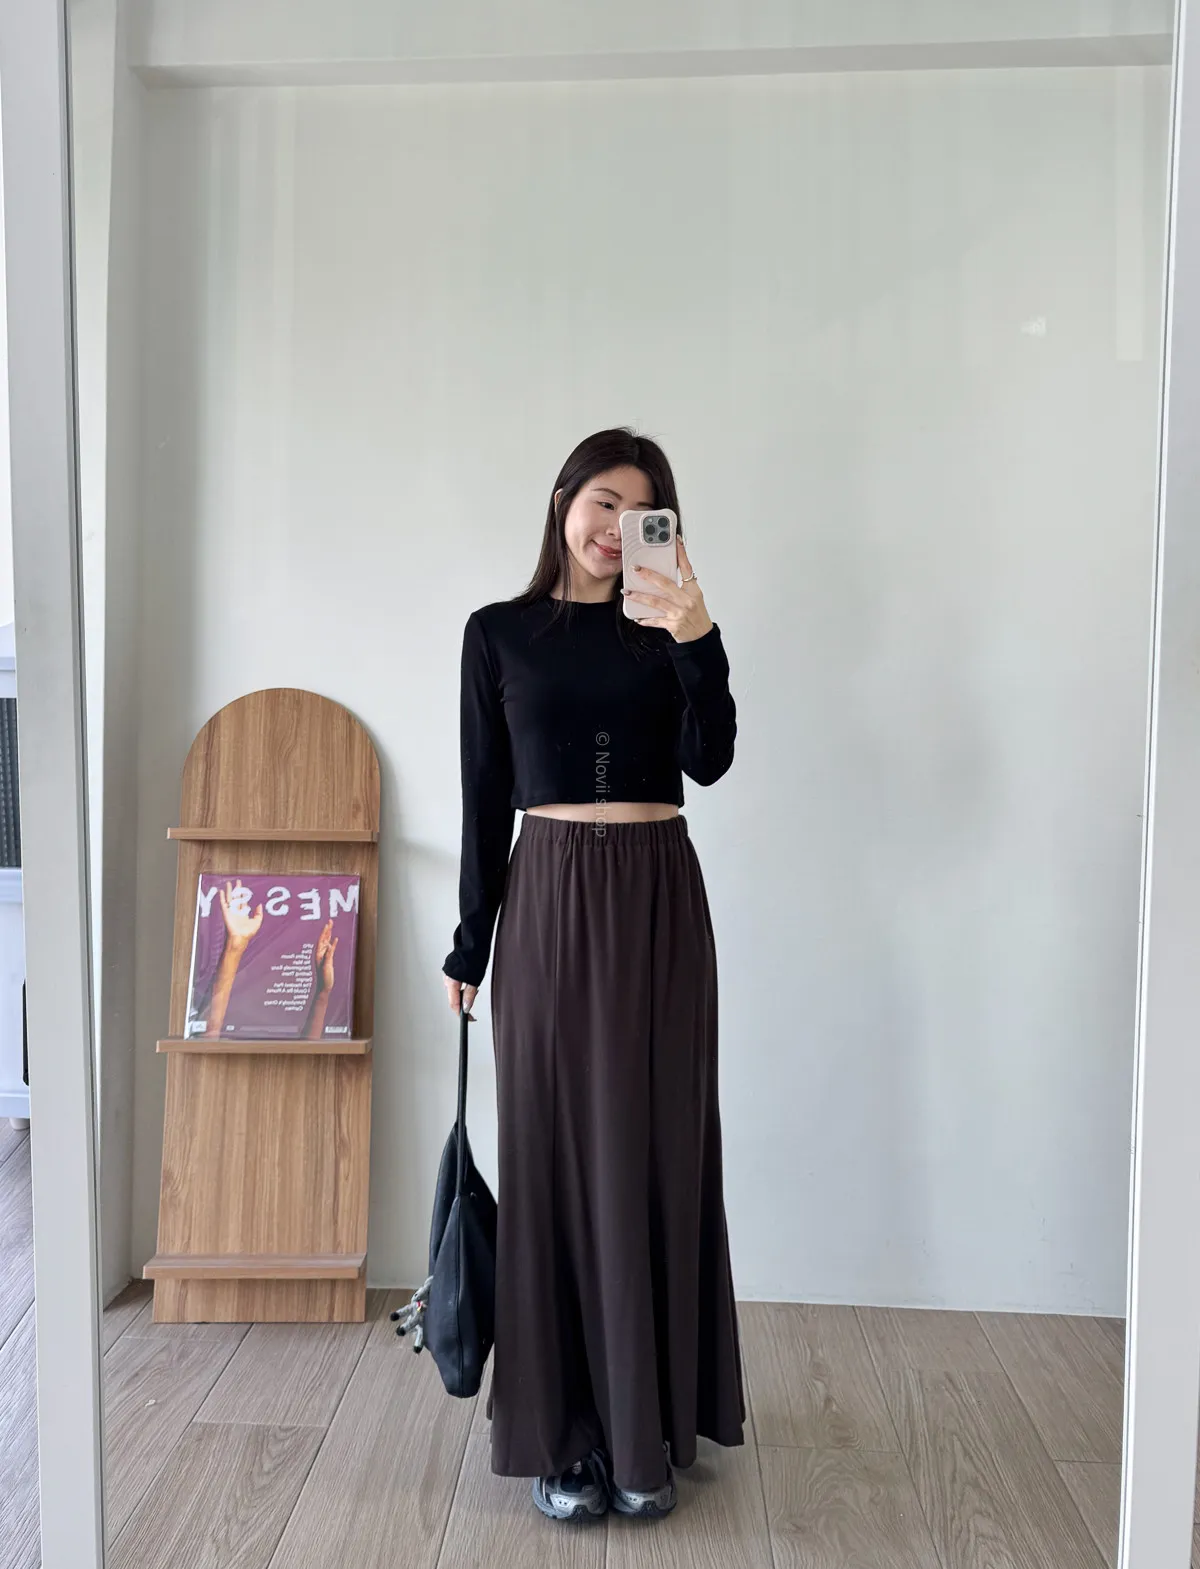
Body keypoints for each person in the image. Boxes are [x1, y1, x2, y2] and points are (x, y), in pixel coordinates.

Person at [441, 427, 745, 1523]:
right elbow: (484, 798)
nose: (617, 527)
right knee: (557, 1160)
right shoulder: (498, 633)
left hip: (659, 897)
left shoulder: (669, 629)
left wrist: (696, 636)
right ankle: (564, 1436)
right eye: (602, 502)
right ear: (564, 498)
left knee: (657, 1152)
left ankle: (646, 1426)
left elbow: (710, 758)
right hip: (551, 903)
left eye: (642, 511)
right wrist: (471, 942)